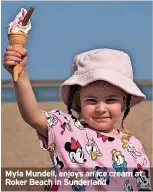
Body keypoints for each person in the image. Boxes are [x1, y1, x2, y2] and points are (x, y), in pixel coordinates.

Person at [3, 46, 152, 191]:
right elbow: (33, 116)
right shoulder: (65, 128)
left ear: (124, 101)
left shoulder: (135, 147)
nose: (101, 109)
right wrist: (21, 75)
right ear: (78, 100)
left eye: (111, 100)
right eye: (91, 100)